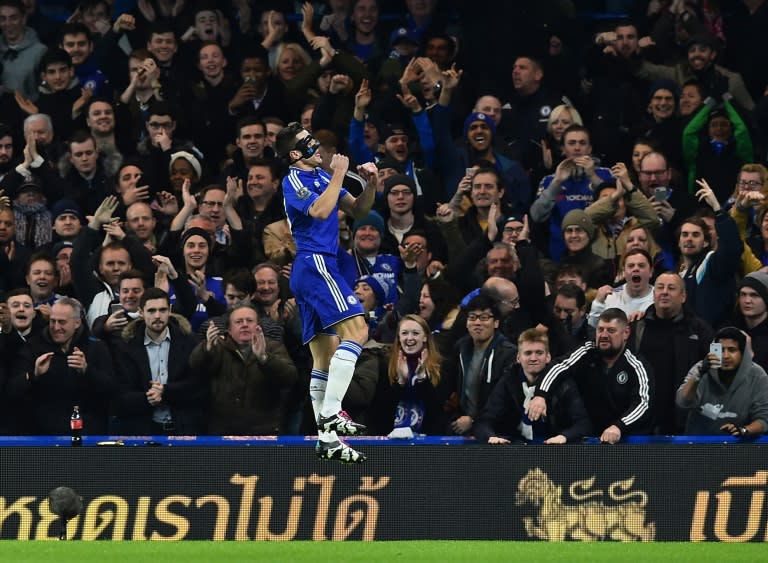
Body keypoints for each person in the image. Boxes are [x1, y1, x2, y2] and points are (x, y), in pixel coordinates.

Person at [276, 121, 377, 463]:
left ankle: (327, 438)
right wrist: (340, 174)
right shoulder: (294, 179)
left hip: (319, 267)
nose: (316, 144)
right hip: (315, 263)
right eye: (308, 142)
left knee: (325, 354)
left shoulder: (320, 178)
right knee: (359, 330)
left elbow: (359, 210)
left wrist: (371, 182)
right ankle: (332, 412)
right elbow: (320, 210)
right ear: (294, 154)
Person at [528, 308, 654, 443]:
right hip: (589, 437)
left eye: (611, 331)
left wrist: (619, 426)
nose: (604, 335)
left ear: (626, 333)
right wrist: (540, 395)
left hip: (627, 438)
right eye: (600, 330)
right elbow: (559, 366)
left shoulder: (636, 364)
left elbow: (643, 404)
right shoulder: (587, 350)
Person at [7, 297, 114, 434]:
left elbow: (111, 390)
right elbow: (12, 390)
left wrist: (87, 371)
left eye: (62, 322)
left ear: (76, 323)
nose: (56, 327)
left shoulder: (96, 348)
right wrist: (34, 375)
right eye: (52, 321)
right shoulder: (33, 347)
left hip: (88, 433)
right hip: (42, 435)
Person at [189, 303, 297, 435]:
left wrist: (265, 358)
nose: (244, 324)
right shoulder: (217, 346)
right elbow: (195, 367)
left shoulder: (272, 347)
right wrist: (206, 348)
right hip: (223, 432)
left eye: (249, 321)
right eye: (239, 321)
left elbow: (290, 377)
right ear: (228, 329)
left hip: (265, 430)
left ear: (259, 326)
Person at [111, 287, 206, 435]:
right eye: (151, 311)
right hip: (142, 430)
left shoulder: (189, 342)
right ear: (141, 312)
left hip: (184, 429)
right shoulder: (125, 347)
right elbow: (120, 394)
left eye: (162, 310)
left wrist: (165, 391)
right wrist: (146, 398)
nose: (157, 316)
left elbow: (198, 386)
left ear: (170, 310)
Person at [629, 271, 713, 434]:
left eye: (671, 288)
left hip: (684, 421)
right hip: (642, 421)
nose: (665, 292)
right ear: (654, 295)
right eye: (660, 287)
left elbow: (716, 362)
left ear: (683, 296)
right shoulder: (637, 327)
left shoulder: (699, 329)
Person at [474, 329, 592, 444]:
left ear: (548, 357)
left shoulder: (564, 383)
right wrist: (491, 437)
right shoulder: (508, 380)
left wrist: (564, 437)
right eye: (528, 353)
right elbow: (485, 421)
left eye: (539, 353)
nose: (533, 358)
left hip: (555, 451)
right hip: (516, 449)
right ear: (518, 358)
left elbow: (583, 424)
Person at [442, 293, 517, 437]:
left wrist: (474, 420)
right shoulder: (461, 348)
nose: (477, 322)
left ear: (496, 322)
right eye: (472, 317)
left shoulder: (508, 354)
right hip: (464, 425)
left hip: (498, 431)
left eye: (484, 317)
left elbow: (505, 399)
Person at [677, 327, 768, 437]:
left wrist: (743, 430)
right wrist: (699, 374)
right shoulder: (701, 369)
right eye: (721, 350)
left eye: (732, 350)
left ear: (743, 353)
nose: (725, 356)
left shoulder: (758, 376)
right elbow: (683, 402)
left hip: (738, 445)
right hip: (698, 445)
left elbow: (763, 420)